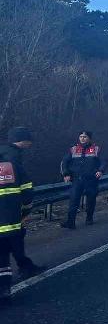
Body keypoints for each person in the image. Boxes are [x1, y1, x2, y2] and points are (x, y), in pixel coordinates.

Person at [0, 127, 46, 301]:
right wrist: (25, 212)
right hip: (11, 219)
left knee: (3, 255)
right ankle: (5, 290)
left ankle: (25, 267)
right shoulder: (13, 162)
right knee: (6, 252)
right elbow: (27, 191)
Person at [60, 131, 106, 229]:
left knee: (91, 199)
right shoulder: (73, 149)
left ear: (89, 138)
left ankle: (89, 218)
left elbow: (103, 161)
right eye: (80, 136)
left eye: (85, 137)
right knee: (73, 200)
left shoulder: (96, 149)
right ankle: (70, 222)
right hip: (77, 179)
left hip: (91, 179)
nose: (82, 138)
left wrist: (100, 170)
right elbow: (64, 162)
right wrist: (66, 174)